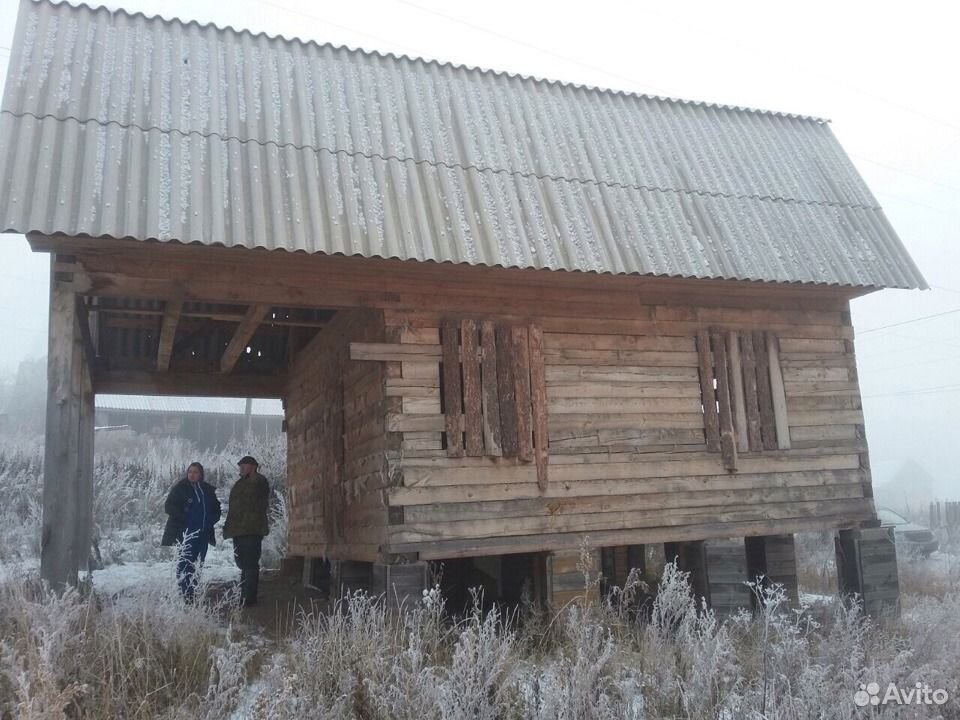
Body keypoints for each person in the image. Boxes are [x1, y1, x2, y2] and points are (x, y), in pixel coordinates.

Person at [161, 462, 221, 602]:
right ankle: (185, 592)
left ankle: (193, 589)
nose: (192, 475)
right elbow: (169, 507)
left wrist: (211, 520)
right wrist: (184, 517)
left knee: (199, 561)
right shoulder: (180, 488)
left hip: (203, 532)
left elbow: (216, 509)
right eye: (190, 472)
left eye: (195, 472)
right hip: (186, 533)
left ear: (201, 474)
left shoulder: (207, 489)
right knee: (186, 562)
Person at [223, 455, 270, 606]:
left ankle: (248, 598)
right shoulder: (239, 484)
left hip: (252, 529)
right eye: (240, 465)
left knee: (250, 564)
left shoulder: (259, 481)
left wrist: (254, 475)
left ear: (253, 467)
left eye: (245, 465)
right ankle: (244, 594)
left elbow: (261, 492)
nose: (241, 468)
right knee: (242, 563)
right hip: (238, 530)